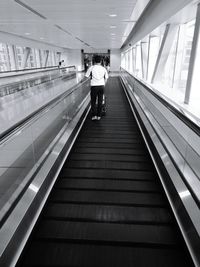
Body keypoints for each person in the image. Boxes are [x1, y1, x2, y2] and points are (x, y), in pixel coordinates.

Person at [85, 55, 108, 121]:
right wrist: (103, 85)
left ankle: (94, 115)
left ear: (94, 61)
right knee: (100, 101)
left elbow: (86, 76)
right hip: (101, 86)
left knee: (93, 101)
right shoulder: (103, 68)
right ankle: (99, 116)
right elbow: (106, 78)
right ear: (101, 61)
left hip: (94, 87)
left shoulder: (91, 68)